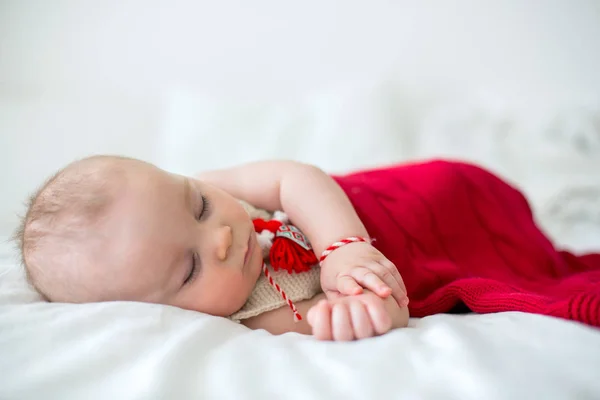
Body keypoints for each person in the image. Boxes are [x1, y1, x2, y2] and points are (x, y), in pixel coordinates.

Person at [15, 156, 600, 342]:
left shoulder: (215, 184)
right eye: (190, 267)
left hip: (414, 198)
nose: (220, 234)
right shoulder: (260, 317)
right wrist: (362, 308)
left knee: (457, 186)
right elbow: (375, 309)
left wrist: (343, 247)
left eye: (197, 206)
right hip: (419, 256)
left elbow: (295, 178)